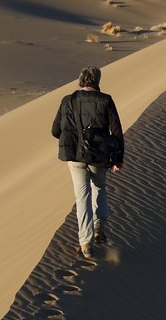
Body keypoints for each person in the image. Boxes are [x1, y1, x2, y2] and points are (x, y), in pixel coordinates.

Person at [50, 66, 125, 259]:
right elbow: (116, 131)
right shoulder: (106, 100)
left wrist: (71, 138)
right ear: (97, 81)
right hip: (98, 155)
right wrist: (118, 158)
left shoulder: (67, 101)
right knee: (99, 187)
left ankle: (85, 242)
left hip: (75, 156)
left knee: (81, 196)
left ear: (81, 80)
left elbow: (55, 130)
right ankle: (99, 225)